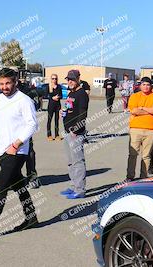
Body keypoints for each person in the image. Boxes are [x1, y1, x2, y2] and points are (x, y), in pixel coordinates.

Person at [0, 68, 38, 237]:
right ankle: (31, 218)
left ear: (15, 82)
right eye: (1, 84)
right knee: (19, 186)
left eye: (8, 83)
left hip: (17, 151)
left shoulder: (24, 100)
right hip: (1, 150)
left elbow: (32, 125)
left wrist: (16, 144)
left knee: (1, 187)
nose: (5, 87)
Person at [126, 77, 153, 181]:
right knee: (133, 154)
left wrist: (142, 108)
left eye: (148, 85)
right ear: (140, 85)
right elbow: (133, 110)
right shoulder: (134, 96)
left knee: (146, 155)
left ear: (151, 86)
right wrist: (150, 111)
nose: (146, 87)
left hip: (150, 130)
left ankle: (143, 176)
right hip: (135, 129)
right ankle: (130, 176)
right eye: (144, 84)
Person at [60, 69, 89, 199]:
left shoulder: (82, 94)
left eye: (72, 79)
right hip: (68, 132)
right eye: (68, 79)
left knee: (78, 161)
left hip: (75, 133)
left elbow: (83, 114)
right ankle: (73, 186)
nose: (70, 81)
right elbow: (70, 109)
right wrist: (63, 112)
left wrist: (76, 130)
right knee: (71, 161)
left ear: (78, 79)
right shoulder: (71, 93)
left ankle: (80, 189)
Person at [46, 74, 62, 141]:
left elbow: (61, 95)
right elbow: (46, 95)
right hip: (51, 106)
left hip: (57, 106)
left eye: (55, 78)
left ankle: (57, 135)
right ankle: (49, 135)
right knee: (49, 120)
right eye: (53, 78)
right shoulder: (48, 86)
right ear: (51, 79)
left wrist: (58, 97)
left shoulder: (59, 86)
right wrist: (52, 97)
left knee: (56, 120)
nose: (54, 80)